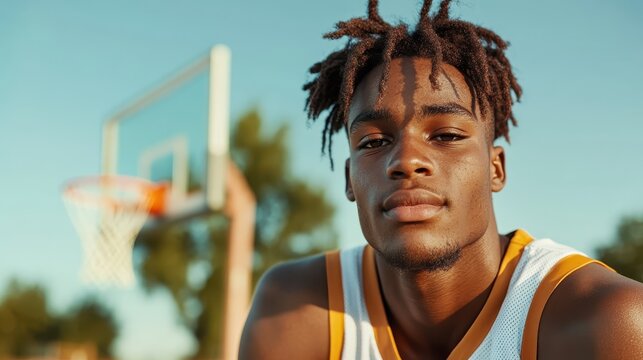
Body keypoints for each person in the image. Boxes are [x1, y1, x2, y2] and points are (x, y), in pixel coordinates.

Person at [239, 0, 643, 358]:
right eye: (374, 141)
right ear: (349, 179)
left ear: (495, 168)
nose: (407, 160)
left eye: (446, 135)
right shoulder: (295, 309)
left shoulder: (606, 322)